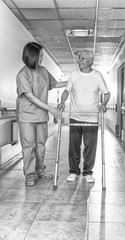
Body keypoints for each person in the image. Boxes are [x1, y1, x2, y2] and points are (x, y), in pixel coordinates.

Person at [16, 42, 67, 187]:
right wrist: (50, 109)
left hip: (41, 116)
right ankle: (30, 175)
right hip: (27, 116)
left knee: (41, 145)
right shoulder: (22, 74)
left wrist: (72, 81)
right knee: (29, 146)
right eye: (41, 55)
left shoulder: (43, 71)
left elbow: (55, 84)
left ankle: (40, 170)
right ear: (32, 55)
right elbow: (30, 97)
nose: (42, 57)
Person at [58, 50, 110, 183]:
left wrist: (103, 104)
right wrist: (62, 102)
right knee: (74, 146)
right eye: (79, 58)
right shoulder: (74, 75)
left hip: (92, 118)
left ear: (91, 61)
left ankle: (88, 172)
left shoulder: (97, 76)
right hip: (75, 116)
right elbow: (66, 91)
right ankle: (74, 171)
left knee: (90, 148)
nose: (80, 60)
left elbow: (107, 93)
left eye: (83, 58)